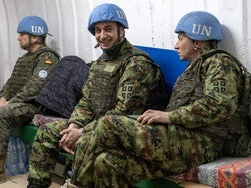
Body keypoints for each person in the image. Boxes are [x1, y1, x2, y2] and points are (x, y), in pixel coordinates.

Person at [61, 11, 251, 188]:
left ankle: (75, 185)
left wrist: (169, 117)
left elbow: (220, 105)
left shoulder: (220, 62)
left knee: (109, 124)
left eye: (181, 38)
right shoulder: (191, 71)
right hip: (182, 139)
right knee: (107, 162)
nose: (176, 45)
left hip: (205, 142)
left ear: (198, 42)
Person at [27, 3, 168, 188]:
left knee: (85, 142)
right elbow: (86, 101)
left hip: (123, 130)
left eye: (108, 29)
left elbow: (122, 112)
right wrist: (73, 126)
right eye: (98, 30)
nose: (102, 36)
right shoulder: (100, 62)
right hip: (94, 123)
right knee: (47, 132)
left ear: (122, 30)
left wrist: (80, 133)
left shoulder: (137, 64)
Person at [0, 16, 60, 187]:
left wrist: (9, 103)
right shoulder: (23, 59)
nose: (18, 38)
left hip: (33, 106)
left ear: (35, 36)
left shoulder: (47, 58)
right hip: (16, 103)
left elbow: (35, 87)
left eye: (22, 34)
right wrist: (3, 97)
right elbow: (10, 84)